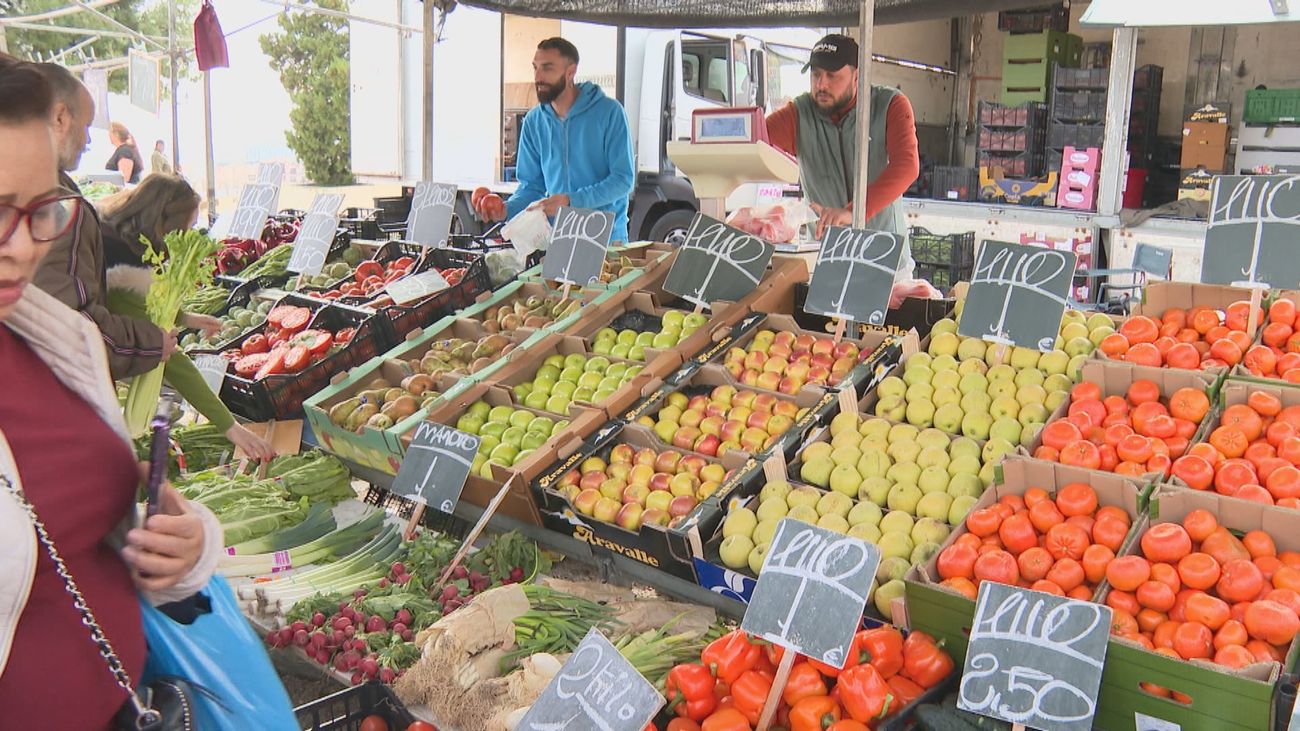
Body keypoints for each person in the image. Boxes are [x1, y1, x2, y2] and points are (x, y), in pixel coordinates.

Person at [0, 57, 222, 729]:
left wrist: (185, 545)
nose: (21, 245)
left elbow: (91, 524)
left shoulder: (53, 340)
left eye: (43, 211)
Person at [99, 176, 276, 460]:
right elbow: (174, 361)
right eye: (190, 227)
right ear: (166, 224)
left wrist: (185, 317)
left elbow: (139, 307)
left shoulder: (121, 241)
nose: (193, 235)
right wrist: (230, 426)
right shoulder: (123, 266)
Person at [31, 62, 176, 380]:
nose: (87, 141)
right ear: (59, 117)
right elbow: (74, 332)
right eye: (84, 126)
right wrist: (152, 343)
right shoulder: (58, 209)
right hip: (52, 398)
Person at [474, 37, 635, 243]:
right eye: (535, 68)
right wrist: (506, 210)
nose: (538, 77)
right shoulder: (533, 121)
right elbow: (531, 186)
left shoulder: (610, 112)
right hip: (558, 240)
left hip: (607, 240)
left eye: (547, 68)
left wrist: (571, 201)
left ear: (570, 72)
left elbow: (623, 180)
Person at [765, 34, 920, 244]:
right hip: (825, 256)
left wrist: (854, 211)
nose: (821, 85)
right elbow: (752, 142)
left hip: (885, 255)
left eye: (832, 75)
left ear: (857, 77)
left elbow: (907, 165)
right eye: (816, 74)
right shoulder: (799, 114)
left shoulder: (890, 105)